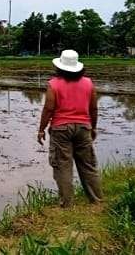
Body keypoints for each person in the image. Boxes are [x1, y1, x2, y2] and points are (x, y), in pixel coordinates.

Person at [37, 49, 103, 207]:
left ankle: (67, 203)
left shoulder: (53, 84)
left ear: (59, 67)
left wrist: (41, 129)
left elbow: (48, 108)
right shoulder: (88, 83)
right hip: (83, 127)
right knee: (87, 164)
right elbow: (93, 108)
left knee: (62, 165)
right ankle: (97, 200)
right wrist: (93, 127)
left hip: (61, 129)